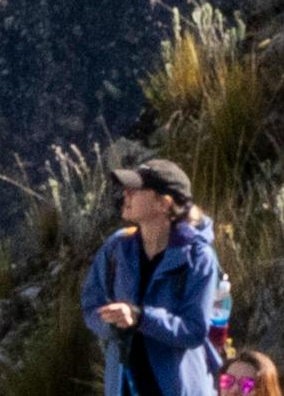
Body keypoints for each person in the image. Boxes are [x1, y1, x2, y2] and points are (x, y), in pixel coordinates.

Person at [83, 157, 226, 396]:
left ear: (164, 203)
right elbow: (91, 305)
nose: (126, 194)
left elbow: (195, 330)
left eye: (136, 189)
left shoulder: (199, 258)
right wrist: (111, 323)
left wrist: (140, 318)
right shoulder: (116, 247)